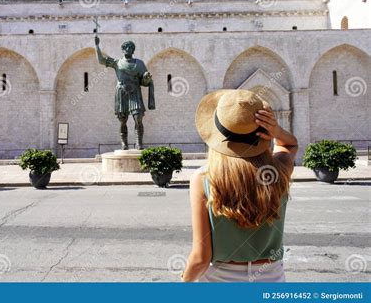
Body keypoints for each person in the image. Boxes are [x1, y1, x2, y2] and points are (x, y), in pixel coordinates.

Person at [181, 89, 298, 282]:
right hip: (272, 278)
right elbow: (290, 145)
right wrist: (277, 131)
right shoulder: (279, 170)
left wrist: (184, 281)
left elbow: (201, 258)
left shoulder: (203, 178)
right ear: (262, 134)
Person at [95, 36, 155, 150]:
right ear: (122, 50)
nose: (128, 48)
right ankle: (124, 143)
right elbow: (101, 60)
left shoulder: (140, 64)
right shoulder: (117, 62)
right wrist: (97, 46)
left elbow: (144, 81)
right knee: (122, 120)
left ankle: (139, 143)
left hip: (135, 92)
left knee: (138, 117)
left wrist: (147, 78)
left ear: (133, 50)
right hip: (121, 91)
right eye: (126, 47)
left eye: (130, 47)